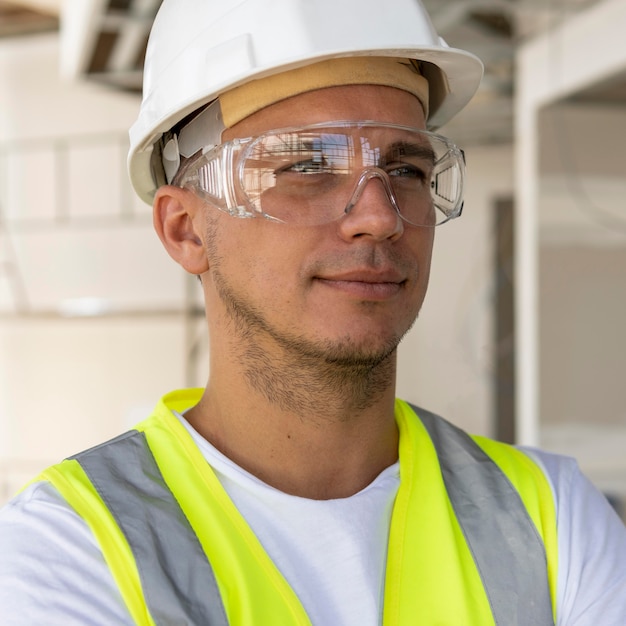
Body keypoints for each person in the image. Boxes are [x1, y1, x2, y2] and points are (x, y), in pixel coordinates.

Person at [1, 0, 625, 624]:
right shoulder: (70, 547)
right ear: (186, 230)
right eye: (305, 165)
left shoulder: (551, 519)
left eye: (405, 168)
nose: (380, 216)